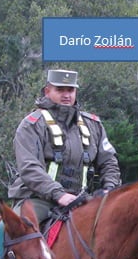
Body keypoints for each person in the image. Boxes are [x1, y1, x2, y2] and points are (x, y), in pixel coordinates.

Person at [8, 69, 121, 225]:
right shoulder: (32, 125)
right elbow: (29, 167)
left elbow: (109, 162)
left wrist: (110, 190)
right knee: (17, 232)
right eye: (60, 90)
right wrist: (59, 194)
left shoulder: (93, 124)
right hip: (38, 199)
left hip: (81, 200)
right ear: (47, 91)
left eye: (70, 90)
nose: (66, 95)